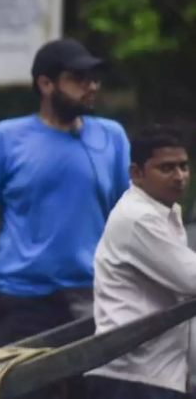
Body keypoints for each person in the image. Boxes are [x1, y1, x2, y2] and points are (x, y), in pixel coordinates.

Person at [0, 38, 131, 353]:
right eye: (78, 78)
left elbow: (129, 217)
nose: (90, 86)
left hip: (94, 295)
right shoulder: (6, 137)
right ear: (46, 84)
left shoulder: (112, 136)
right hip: (23, 297)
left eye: (93, 78)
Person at [86, 125, 191, 399]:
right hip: (134, 376)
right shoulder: (138, 217)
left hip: (154, 371)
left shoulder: (164, 213)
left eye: (183, 166)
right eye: (167, 168)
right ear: (136, 173)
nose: (179, 176)